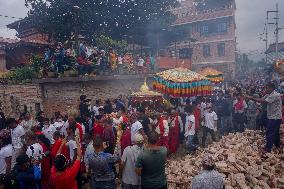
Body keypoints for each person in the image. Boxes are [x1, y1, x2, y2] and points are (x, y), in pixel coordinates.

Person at [247, 82, 282, 153]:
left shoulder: (275, 95)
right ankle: (277, 146)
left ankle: (267, 149)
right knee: (275, 132)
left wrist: (250, 97)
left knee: (270, 132)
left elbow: (262, 101)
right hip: (272, 117)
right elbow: (261, 99)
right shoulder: (268, 95)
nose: (266, 89)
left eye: (267, 87)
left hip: (274, 117)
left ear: (272, 88)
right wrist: (251, 97)